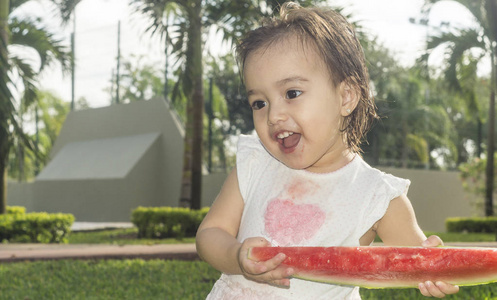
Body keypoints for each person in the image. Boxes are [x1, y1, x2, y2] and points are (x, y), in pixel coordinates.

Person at [196, 2, 460, 299]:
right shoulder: (256, 162)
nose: (273, 116)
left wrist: (436, 269)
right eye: (259, 103)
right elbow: (210, 234)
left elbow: (421, 262)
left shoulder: (376, 194)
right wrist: (237, 258)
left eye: (292, 93)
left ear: (346, 96)